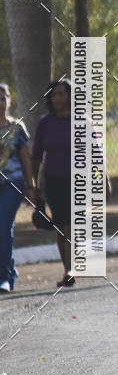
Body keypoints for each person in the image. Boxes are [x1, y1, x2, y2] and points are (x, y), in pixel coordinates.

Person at [32, 79, 74, 288]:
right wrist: (33, 184)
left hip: (77, 180)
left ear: (70, 97)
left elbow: (96, 151)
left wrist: (104, 177)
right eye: (54, 94)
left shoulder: (81, 121)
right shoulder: (45, 122)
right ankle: (67, 268)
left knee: (71, 224)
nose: (57, 98)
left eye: (61, 94)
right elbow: (36, 155)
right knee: (60, 224)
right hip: (53, 180)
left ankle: (70, 269)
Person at [0, 83, 36, 292]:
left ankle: (3, 277)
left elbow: (25, 158)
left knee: (4, 227)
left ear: (9, 100)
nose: (0, 103)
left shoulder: (16, 128)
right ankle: (10, 272)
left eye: (2, 98)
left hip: (12, 183)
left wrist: (31, 186)